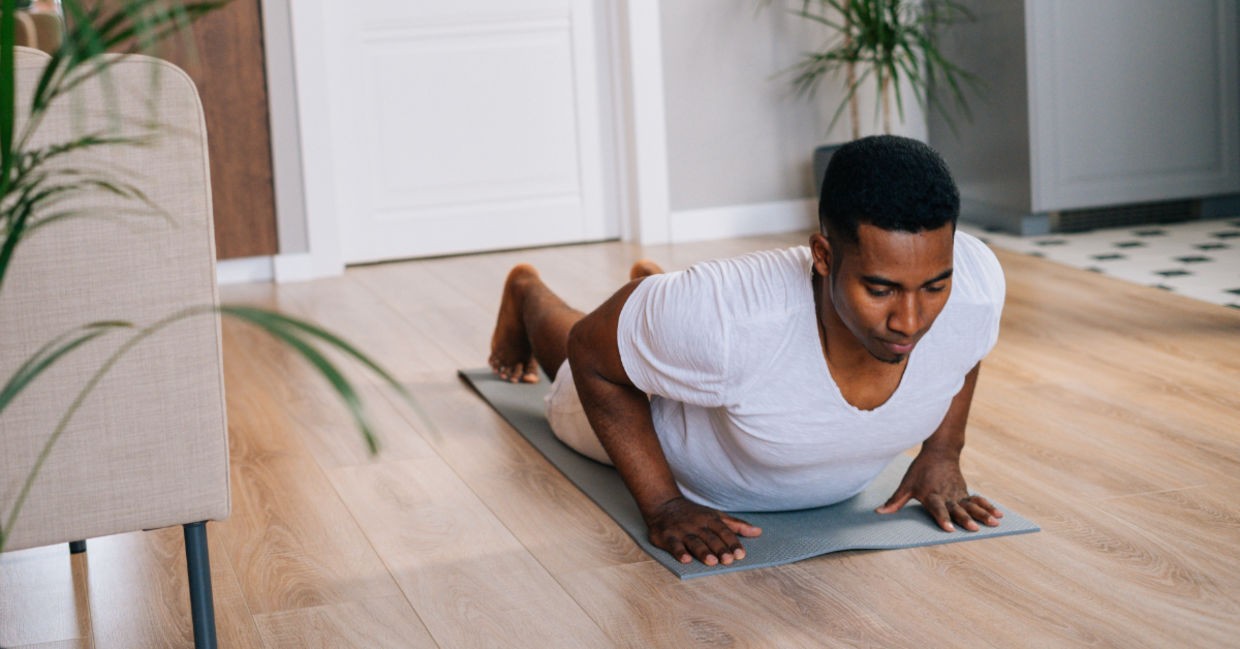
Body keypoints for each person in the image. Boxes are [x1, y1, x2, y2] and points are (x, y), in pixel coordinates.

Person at [488, 135, 1005, 567]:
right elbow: (589, 351)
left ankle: (653, 302)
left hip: (698, 334)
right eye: (880, 290)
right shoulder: (729, 318)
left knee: (675, 324)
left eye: (934, 287)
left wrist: (942, 453)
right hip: (662, 430)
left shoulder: (974, 285)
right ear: (823, 256)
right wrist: (665, 504)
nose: (910, 321)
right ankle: (527, 294)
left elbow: (968, 342)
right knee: (573, 375)